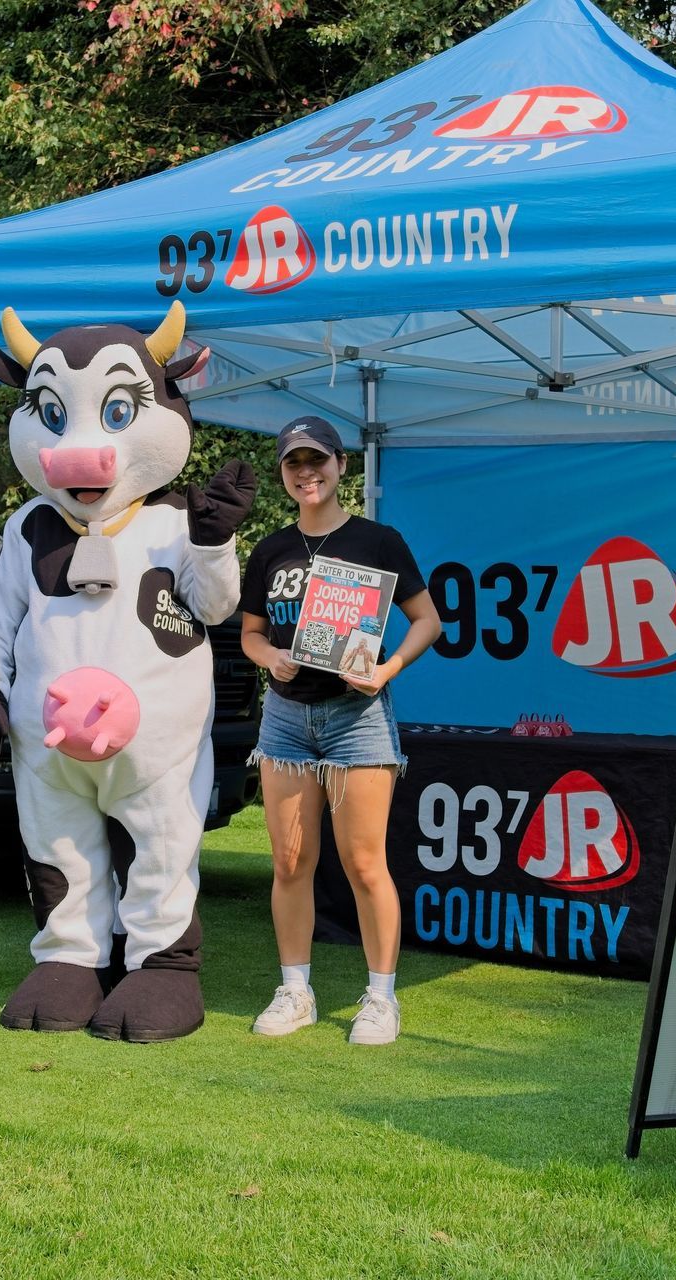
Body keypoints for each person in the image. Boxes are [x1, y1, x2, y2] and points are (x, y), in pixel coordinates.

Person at [238, 417, 441, 1045]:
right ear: (282, 473)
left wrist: (388, 668)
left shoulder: (379, 541)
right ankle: (295, 990)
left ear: (341, 466)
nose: (306, 473)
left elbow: (427, 619)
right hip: (285, 719)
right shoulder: (270, 550)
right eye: (293, 462)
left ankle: (381, 998)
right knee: (290, 859)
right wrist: (270, 657)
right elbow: (249, 633)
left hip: (357, 719)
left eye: (316, 460)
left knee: (363, 862)